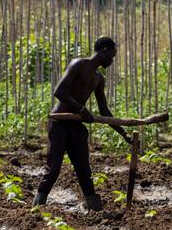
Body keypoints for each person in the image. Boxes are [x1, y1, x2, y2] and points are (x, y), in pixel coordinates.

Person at [33, 36, 131, 211]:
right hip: (60, 121)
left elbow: (104, 111)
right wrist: (81, 109)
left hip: (76, 125)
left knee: (83, 169)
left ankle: (95, 210)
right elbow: (59, 92)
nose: (112, 60)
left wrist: (123, 133)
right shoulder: (78, 64)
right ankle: (37, 207)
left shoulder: (99, 79)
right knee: (53, 168)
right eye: (113, 55)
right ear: (105, 51)